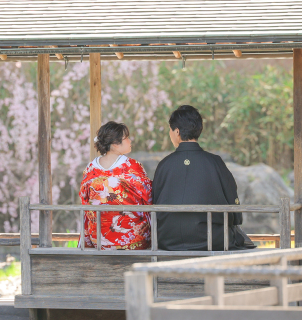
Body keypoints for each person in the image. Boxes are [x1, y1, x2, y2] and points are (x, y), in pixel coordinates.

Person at [153, 105, 254, 251]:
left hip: (167, 239)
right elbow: (232, 198)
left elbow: (155, 200)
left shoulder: (164, 164)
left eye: (170, 130)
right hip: (212, 239)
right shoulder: (215, 162)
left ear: (177, 131)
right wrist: (236, 221)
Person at [79, 121, 152, 250]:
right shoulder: (132, 166)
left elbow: (84, 200)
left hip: (99, 240)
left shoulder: (90, 168)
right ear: (115, 144)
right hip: (132, 240)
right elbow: (149, 196)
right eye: (126, 138)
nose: (130, 141)